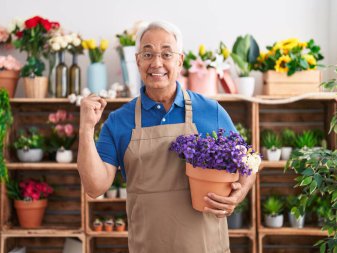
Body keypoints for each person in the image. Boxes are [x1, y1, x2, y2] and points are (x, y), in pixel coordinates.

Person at [78, 21, 256, 253]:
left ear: (179, 60)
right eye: (148, 53)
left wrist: (238, 194)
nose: (157, 63)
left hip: (206, 246)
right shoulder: (119, 121)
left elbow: (249, 161)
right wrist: (86, 129)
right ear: (138, 61)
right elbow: (95, 187)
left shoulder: (210, 111)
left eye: (166, 53)